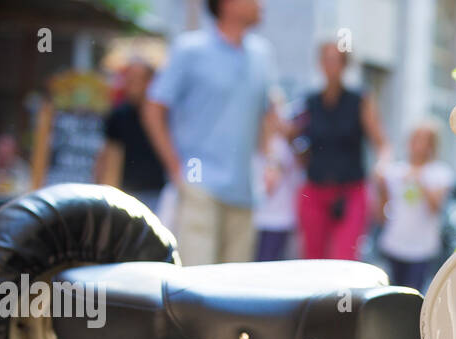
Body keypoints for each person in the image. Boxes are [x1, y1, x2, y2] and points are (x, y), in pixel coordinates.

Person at [142, 0, 276, 265]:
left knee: (234, 291)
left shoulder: (263, 54)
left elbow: (268, 114)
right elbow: (154, 108)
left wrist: (270, 162)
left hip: (244, 191)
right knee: (197, 285)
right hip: (198, 184)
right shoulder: (190, 50)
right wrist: (176, 168)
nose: (262, 4)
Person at [292, 41, 386, 260]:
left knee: (344, 258)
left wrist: (381, 167)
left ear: (345, 65)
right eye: (326, 59)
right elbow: (294, 140)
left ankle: (342, 297)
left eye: (336, 60)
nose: (331, 65)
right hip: (314, 190)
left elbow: (381, 143)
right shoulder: (309, 102)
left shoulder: (360, 100)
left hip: (350, 192)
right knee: (312, 258)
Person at [373, 122, 453, 292]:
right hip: (394, 244)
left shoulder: (440, 173)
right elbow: (381, 211)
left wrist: (419, 179)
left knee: (413, 295)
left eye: (424, 140)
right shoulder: (395, 171)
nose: (418, 145)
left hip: (422, 248)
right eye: (416, 139)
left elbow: (436, 207)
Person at [94, 59, 166, 211]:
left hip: (161, 193)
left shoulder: (166, 115)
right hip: (127, 194)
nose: (131, 84)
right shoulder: (120, 115)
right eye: (129, 79)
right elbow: (109, 155)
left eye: (137, 80)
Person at [254, 97, 301, 260]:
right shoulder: (255, 143)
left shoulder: (281, 145)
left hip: (278, 220)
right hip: (257, 219)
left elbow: (271, 182)